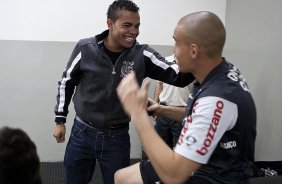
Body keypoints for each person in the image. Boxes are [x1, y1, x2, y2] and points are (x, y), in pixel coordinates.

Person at [53, 0, 194, 184]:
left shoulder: (143, 55)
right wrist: (60, 119)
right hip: (82, 133)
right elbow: (66, 82)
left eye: (137, 26)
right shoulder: (85, 48)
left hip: (116, 138)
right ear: (110, 24)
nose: (134, 32)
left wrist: (202, 55)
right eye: (127, 25)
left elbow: (178, 77)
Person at [115, 11, 257, 184]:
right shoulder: (223, 71)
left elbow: (174, 176)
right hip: (202, 161)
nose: (173, 50)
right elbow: (202, 117)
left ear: (194, 51)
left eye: (176, 42)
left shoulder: (216, 98)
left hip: (213, 176)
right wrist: (161, 109)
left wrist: (137, 114)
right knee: (121, 177)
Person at [152, 55, 192, 149]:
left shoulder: (193, 64)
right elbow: (160, 84)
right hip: (163, 111)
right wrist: (155, 103)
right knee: (161, 148)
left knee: (181, 149)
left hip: (181, 113)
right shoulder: (166, 61)